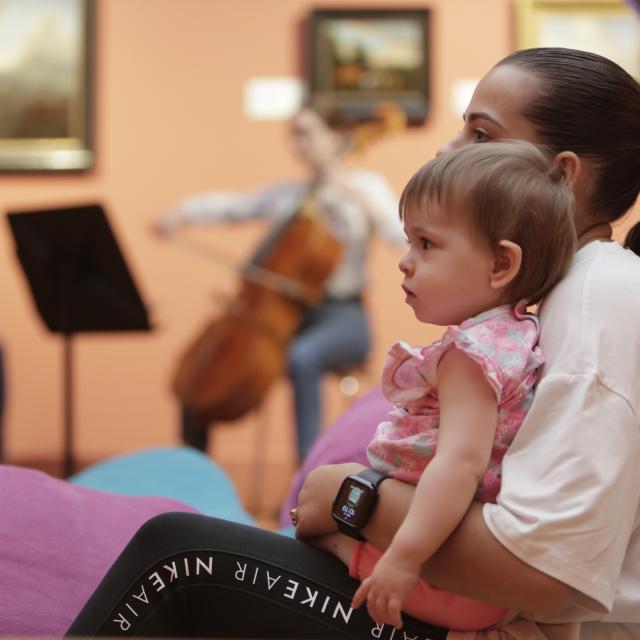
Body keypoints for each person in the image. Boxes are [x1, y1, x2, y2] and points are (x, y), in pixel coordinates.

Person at [66, 47, 640, 640]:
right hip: (466, 603)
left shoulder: (599, 298)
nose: (447, 150)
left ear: (564, 175)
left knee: (179, 555)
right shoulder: (551, 295)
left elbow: (545, 571)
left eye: (479, 134)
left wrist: (351, 499)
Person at [346, 140, 576, 631]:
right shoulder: (511, 334)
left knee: (318, 522)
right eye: (408, 242)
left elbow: (460, 463)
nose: (405, 261)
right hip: (454, 573)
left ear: (500, 265)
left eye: (426, 244)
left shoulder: (470, 356)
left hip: (443, 578)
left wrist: (405, 558)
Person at [154, 102, 406, 462]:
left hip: (342, 316)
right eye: (294, 135)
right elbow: (234, 206)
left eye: (306, 134)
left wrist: (368, 205)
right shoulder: (289, 195)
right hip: (284, 317)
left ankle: (307, 471)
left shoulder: (365, 188)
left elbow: (402, 236)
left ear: (337, 136)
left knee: (302, 357)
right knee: (206, 369)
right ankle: (191, 471)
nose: (297, 145)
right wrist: (181, 212)